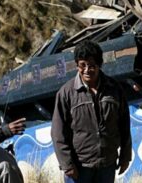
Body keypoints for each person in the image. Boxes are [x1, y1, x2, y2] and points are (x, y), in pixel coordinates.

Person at [51, 41, 132, 183]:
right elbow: (58, 132)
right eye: (82, 65)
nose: (87, 70)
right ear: (77, 65)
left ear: (100, 64)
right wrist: (67, 164)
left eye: (92, 65)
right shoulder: (66, 93)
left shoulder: (115, 89)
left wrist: (125, 156)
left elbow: (124, 125)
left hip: (107, 165)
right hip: (79, 168)